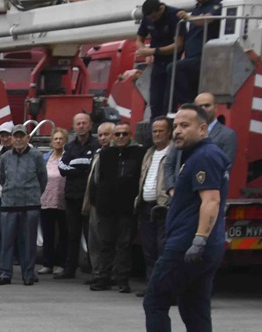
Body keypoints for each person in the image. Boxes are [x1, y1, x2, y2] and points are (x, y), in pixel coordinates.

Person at [128, 105, 228, 332]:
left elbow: (211, 200)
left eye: (186, 125)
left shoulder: (204, 156)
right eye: (177, 126)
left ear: (203, 128)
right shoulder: (195, 155)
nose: (178, 131)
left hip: (186, 245)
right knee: (195, 308)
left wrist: (198, 238)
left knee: (155, 300)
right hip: (196, 243)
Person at [84, 122, 144, 294]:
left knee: (124, 245)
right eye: (117, 134)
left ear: (130, 135)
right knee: (105, 244)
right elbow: (98, 181)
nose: (120, 137)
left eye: (124, 134)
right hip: (106, 208)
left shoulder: (138, 154)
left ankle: (122, 280)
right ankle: (102, 278)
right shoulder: (105, 154)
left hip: (127, 209)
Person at [0, 124, 44, 285]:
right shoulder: (5, 156)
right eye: (16, 136)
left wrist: (34, 194)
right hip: (9, 205)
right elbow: (2, 178)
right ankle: (5, 273)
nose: (19, 139)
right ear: (12, 139)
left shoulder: (36, 155)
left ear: (27, 138)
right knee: (6, 241)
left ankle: (28, 274)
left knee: (28, 242)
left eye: (22, 136)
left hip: (30, 205)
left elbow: (43, 178)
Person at [54, 113, 97, 278]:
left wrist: (76, 165)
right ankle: (69, 269)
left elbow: (92, 165)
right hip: (71, 197)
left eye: (84, 123)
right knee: (72, 235)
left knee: (91, 235)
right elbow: (62, 168)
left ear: (90, 125)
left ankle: (95, 271)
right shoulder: (70, 147)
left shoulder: (96, 144)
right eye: (78, 123)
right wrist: (82, 166)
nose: (81, 126)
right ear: (74, 126)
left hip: (89, 197)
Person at [173, 0, 224, 113]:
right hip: (191, 57)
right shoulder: (196, 9)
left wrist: (189, 17)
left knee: (174, 68)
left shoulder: (216, 6)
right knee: (172, 72)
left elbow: (206, 20)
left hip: (205, 58)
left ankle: (191, 106)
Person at [135, 117, 175, 275]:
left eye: (161, 131)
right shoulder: (149, 153)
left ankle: (162, 286)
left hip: (163, 207)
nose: (157, 134)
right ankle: (151, 285)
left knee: (162, 248)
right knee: (148, 248)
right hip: (146, 207)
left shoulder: (174, 153)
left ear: (169, 132)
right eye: (154, 131)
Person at [136, 0, 179, 117]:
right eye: (150, 18)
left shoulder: (173, 15)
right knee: (154, 101)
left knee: (169, 101)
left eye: (154, 17)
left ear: (161, 9)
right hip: (157, 63)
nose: (152, 20)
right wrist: (144, 51)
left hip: (173, 61)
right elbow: (139, 39)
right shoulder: (148, 18)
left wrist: (154, 51)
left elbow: (178, 45)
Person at [40, 128, 71, 276]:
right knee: (48, 234)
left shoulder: (68, 157)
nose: (58, 141)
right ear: (51, 142)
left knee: (63, 234)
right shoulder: (45, 157)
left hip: (62, 200)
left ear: (65, 141)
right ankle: (47, 263)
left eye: (61, 139)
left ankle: (60, 263)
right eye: (55, 139)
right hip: (46, 200)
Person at [191, 93, 239, 161]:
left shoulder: (228, 135)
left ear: (216, 107)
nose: (203, 109)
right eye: (200, 106)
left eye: (207, 105)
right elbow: (171, 162)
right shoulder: (188, 131)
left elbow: (226, 165)